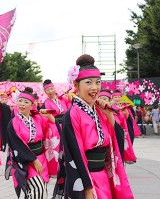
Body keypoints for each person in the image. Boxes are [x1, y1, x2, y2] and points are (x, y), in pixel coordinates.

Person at [53, 54, 134, 198]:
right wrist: (87, 187)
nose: (95, 88)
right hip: (87, 179)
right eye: (89, 83)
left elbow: (119, 140)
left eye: (98, 82)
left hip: (104, 177)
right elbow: (75, 154)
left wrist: (108, 115)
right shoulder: (72, 115)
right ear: (76, 85)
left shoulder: (101, 112)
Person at [5, 87, 56, 198]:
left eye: (26, 102)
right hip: (26, 161)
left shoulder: (38, 118)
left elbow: (52, 128)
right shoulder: (13, 123)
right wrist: (33, 160)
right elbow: (17, 145)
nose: (22, 104)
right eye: (20, 101)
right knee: (37, 187)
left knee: (41, 189)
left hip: (41, 158)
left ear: (32, 105)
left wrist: (48, 115)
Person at [98, 89, 136, 163]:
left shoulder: (121, 109)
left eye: (105, 99)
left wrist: (127, 116)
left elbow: (125, 125)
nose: (102, 100)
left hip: (115, 139)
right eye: (100, 98)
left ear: (109, 100)